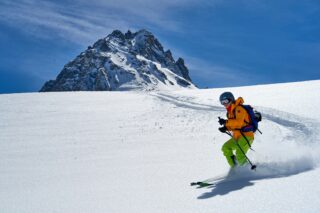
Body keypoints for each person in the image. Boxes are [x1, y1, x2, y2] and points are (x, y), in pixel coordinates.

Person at [218, 92, 254, 168]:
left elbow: (239, 123)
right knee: (225, 148)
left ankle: (247, 172)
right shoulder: (229, 113)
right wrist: (226, 128)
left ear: (231, 100)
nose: (224, 104)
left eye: (226, 101)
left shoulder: (239, 109)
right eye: (222, 102)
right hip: (237, 136)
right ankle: (235, 169)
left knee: (239, 154)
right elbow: (234, 126)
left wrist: (226, 122)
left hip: (246, 135)